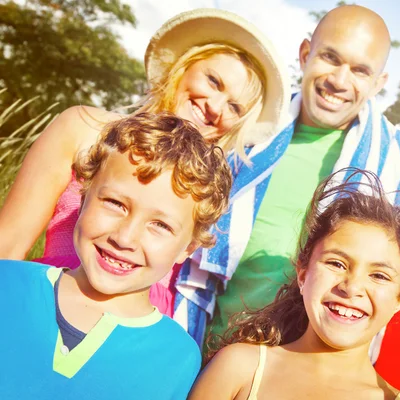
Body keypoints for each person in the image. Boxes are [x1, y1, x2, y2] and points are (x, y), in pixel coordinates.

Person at [178, 4, 400, 348]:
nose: (338, 80)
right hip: (208, 346)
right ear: (305, 54)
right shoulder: (246, 126)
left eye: (360, 70)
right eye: (329, 58)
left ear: (379, 82)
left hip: (315, 370)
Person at [0, 8, 289, 315]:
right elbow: (10, 241)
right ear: (185, 67)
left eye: (234, 106)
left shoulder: (213, 188)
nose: (216, 107)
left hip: (137, 338)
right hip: (45, 307)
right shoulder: (83, 128)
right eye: (214, 82)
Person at [0, 112, 231, 399]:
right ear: (83, 197)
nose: (125, 238)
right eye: (115, 203)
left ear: (188, 248)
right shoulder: (7, 283)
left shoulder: (176, 358)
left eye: (160, 225)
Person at [189, 169, 400, 400]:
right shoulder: (240, 368)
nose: (351, 288)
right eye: (337, 264)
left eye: (379, 276)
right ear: (303, 274)